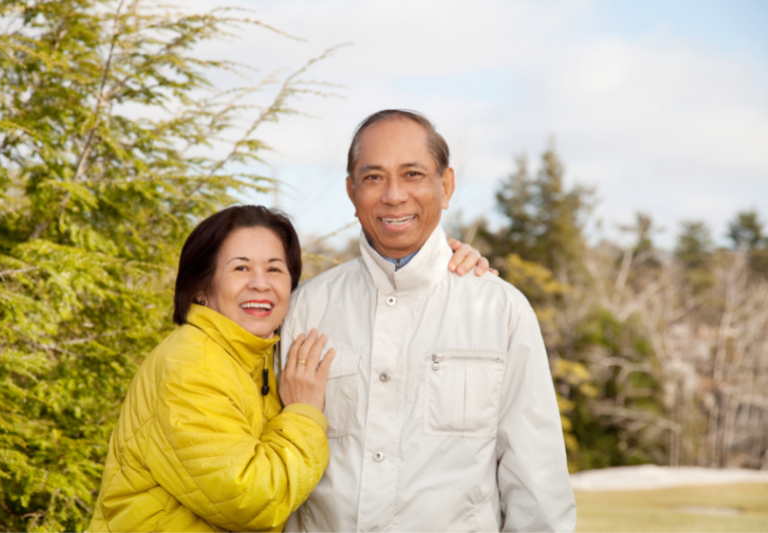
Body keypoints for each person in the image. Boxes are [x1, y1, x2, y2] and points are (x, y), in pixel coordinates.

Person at [89, 205, 492, 532]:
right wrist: (304, 414)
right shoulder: (192, 365)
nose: (261, 283)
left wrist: (438, 263)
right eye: (241, 268)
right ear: (201, 287)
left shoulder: (256, 354)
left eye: (275, 269)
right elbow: (253, 499)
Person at [280, 110, 576, 532]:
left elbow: (537, 482)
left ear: (446, 185)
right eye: (373, 178)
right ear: (351, 191)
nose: (394, 196)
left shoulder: (500, 311)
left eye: (413, 174)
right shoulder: (307, 309)